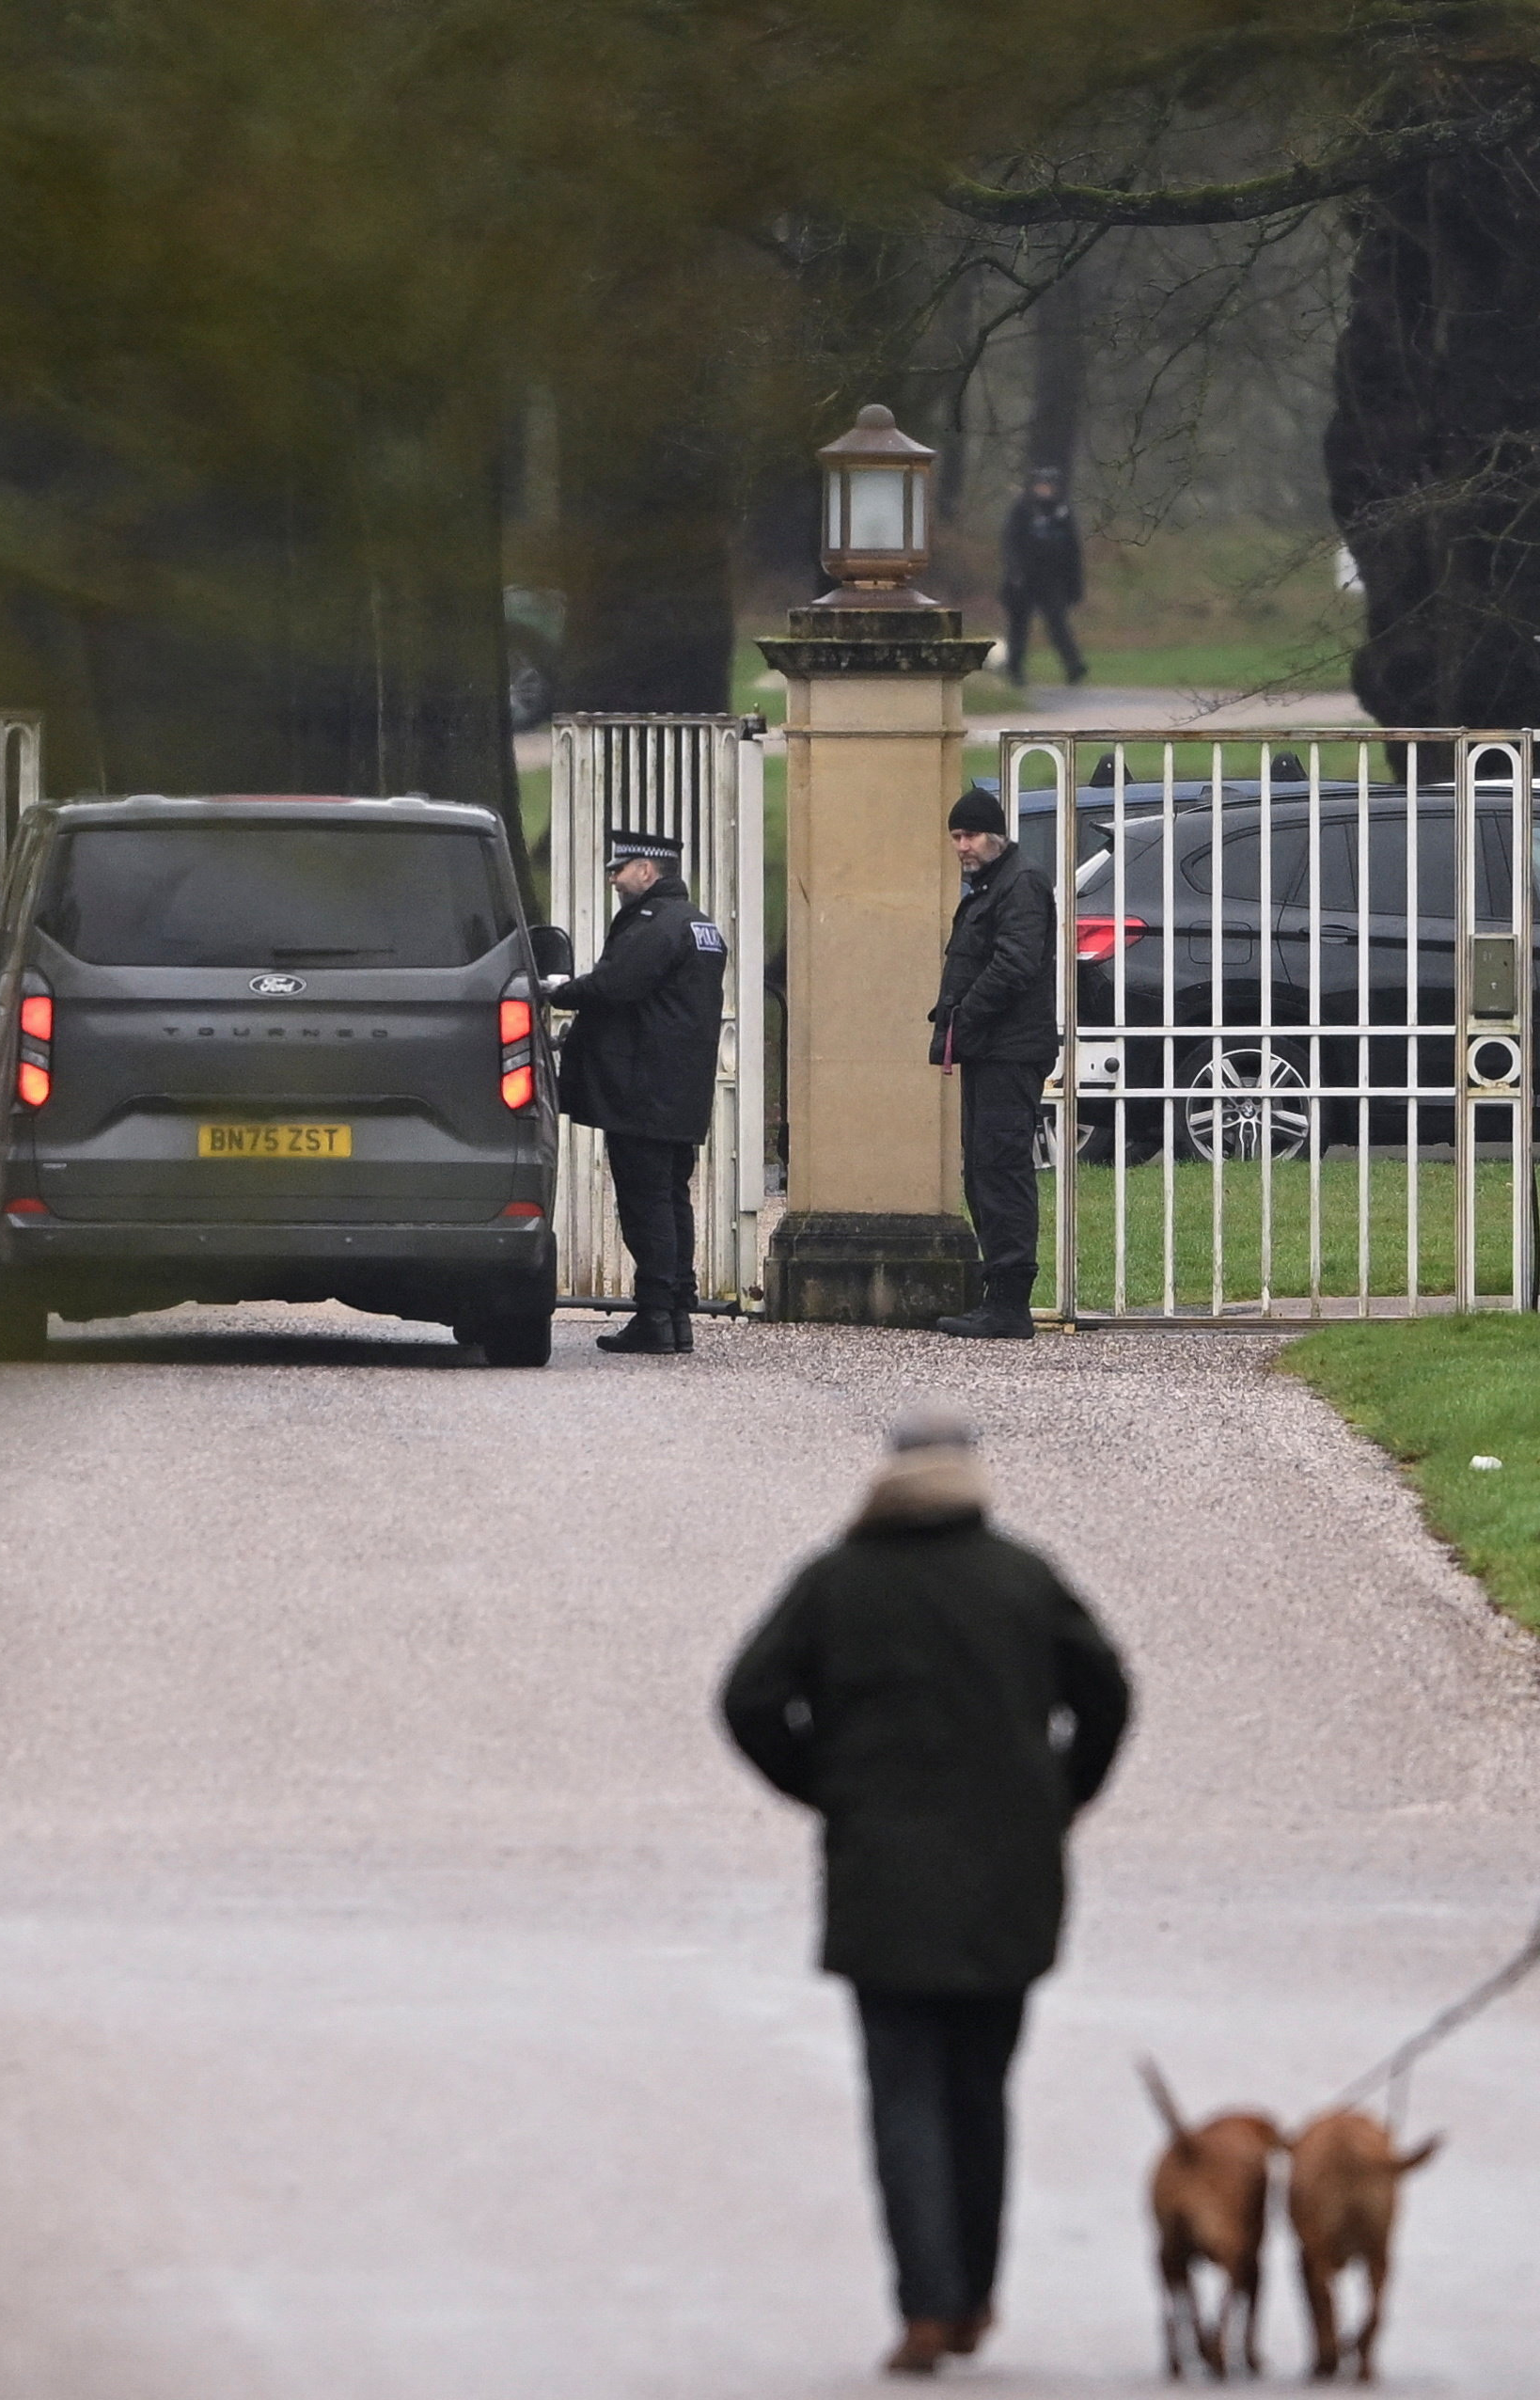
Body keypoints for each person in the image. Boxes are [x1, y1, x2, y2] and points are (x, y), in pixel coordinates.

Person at [720, 1414, 1133, 2378]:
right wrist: (1063, 1792)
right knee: (980, 2086)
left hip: (882, 1873)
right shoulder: (1021, 1577)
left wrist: (825, 1785)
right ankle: (975, 2299)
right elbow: (1106, 1689)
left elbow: (747, 1698)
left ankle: (922, 2305)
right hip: (1009, 1874)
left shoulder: (838, 1580)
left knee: (903, 2090)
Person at [549, 824, 728, 1354]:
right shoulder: (700, 925)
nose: (611, 878)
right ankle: (676, 1313)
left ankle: (656, 1315)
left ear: (647, 871)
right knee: (672, 1198)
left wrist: (560, 990)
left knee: (646, 1200)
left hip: (643, 1087)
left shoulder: (655, 923)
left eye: (618, 868)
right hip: (680, 1087)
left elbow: (616, 984)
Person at [929, 785, 1056, 1340]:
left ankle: (1010, 1302)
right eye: (956, 836)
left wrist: (964, 1015)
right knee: (983, 1171)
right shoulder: (993, 883)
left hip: (1008, 1049)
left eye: (971, 834)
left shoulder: (1020, 882)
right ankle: (997, 1295)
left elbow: (1015, 964)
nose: (962, 845)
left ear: (997, 834)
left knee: (1001, 1170)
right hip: (989, 1048)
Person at [997, 468, 1087, 688]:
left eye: (1049, 486)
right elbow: (1010, 543)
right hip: (1023, 579)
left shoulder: (1062, 513)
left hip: (1052, 578)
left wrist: (1074, 584)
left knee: (1058, 623)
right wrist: (1014, 571)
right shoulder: (1023, 510)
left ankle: (1073, 666)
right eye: (1041, 485)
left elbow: (1073, 551)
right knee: (1019, 626)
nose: (1045, 490)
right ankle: (1014, 669)